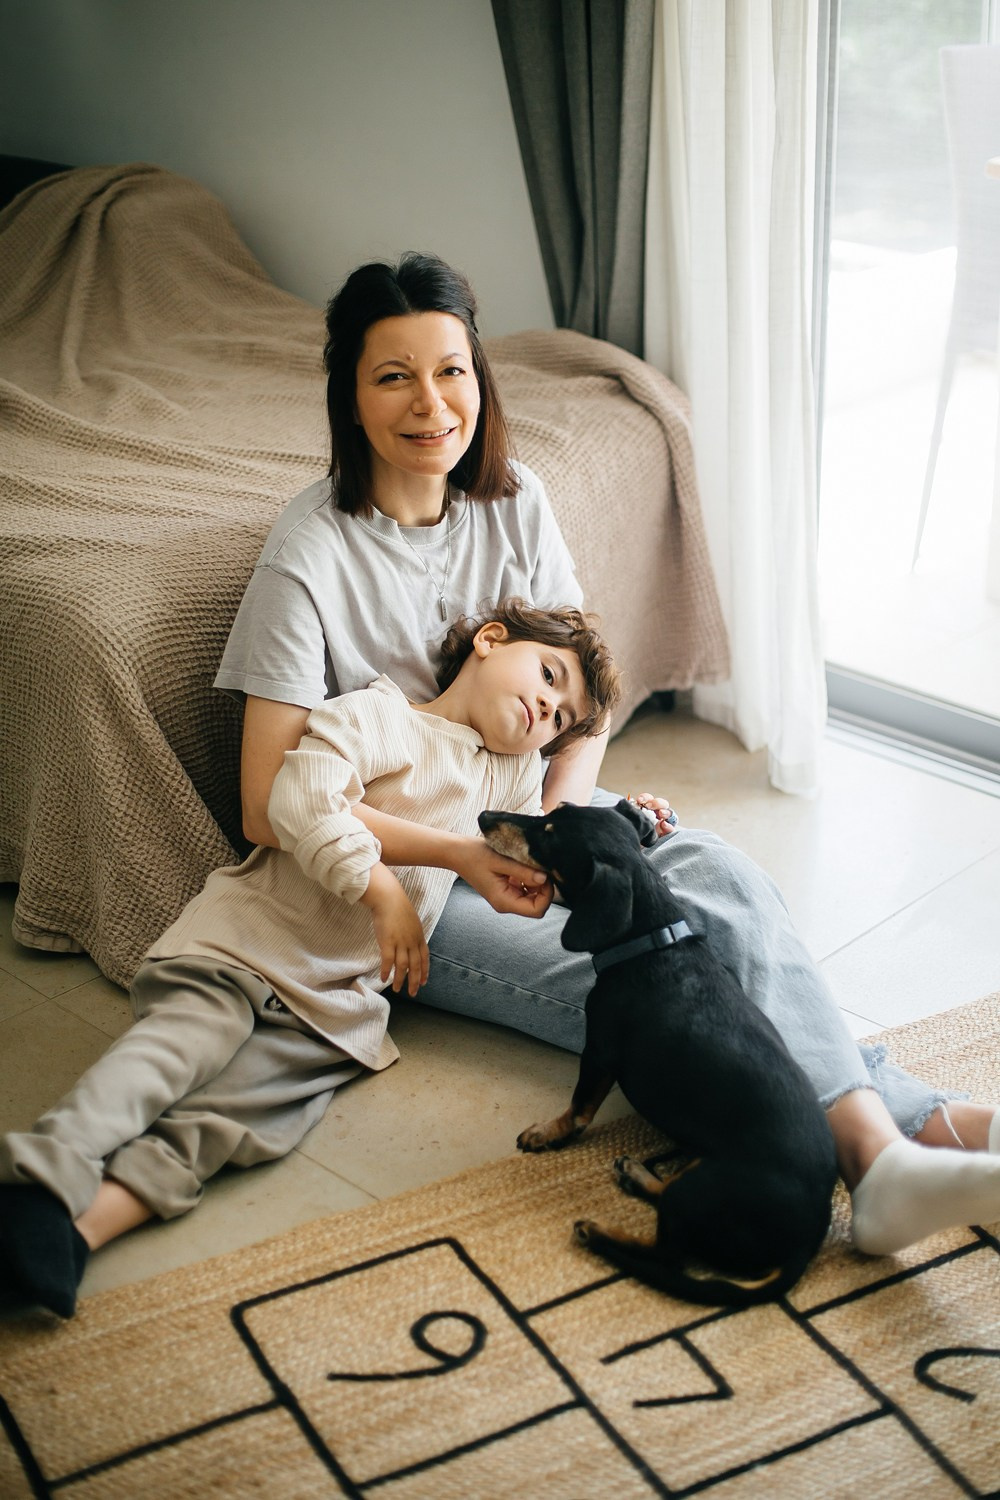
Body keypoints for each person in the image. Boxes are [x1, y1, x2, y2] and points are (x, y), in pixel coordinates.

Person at [212, 249, 1000, 1264]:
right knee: (664, 974)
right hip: (410, 873)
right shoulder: (308, 553)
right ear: (349, 395)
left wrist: (564, 827)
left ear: (480, 377)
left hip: (525, 825)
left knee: (719, 874)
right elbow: (265, 801)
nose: (430, 404)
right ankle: (924, 1133)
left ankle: (892, 1148)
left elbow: (580, 705)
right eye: (393, 376)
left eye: (451, 370)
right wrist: (474, 856)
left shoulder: (514, 501)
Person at [0, 598, 622, 1318]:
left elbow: (539, 842)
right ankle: (41, 1179)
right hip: (252, 941)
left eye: (560, 718)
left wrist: (622, 825)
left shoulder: (508, 777)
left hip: (335, 1002)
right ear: (489, 639)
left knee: (233, 1124)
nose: (546, 709)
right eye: (548, 677)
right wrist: (382, 890)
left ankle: (75, 1235)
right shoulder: (380, 716)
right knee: (173, 1055)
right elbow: (301, 797)